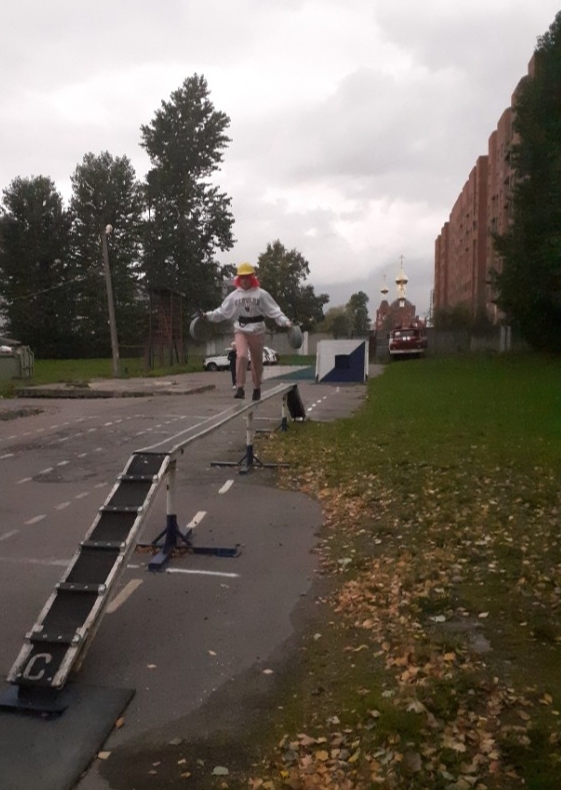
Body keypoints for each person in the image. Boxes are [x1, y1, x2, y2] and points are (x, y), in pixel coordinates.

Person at [201, 262, 291, 400]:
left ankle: (256, 387)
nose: (244, 280)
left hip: (257, 329)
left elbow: (274, 311)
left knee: (256, 362)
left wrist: (285, 321)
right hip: (241, 328)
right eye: (242, 277)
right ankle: (240, 388)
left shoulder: (261, 294)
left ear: (252, 278)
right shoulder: (234, 296)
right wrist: (207, 316)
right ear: (238, 279)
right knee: (242, 356)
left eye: (247, 277)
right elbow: (222, 311)